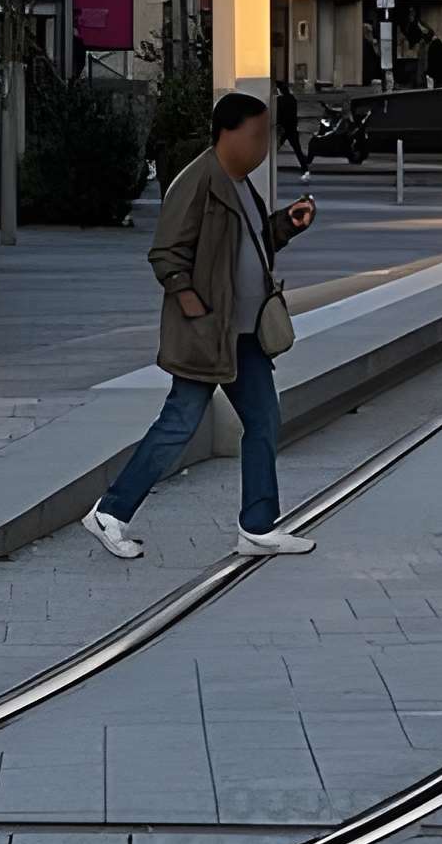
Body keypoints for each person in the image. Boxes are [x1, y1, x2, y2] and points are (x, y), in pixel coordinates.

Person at [85, 91, 319, 563]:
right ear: (227, 133)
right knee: (179, 423)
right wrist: (195, 308)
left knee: (263, 421)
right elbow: (167, 254)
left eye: (266, 136)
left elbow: (251, 244)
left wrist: (286, 226)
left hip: (245, 334)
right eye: (256, 135)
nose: (263, 145)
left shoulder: (240, 184)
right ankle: (110, 513)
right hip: (210, 334)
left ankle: (257, 526)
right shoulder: (197, 181)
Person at [274, 79, 309, 176]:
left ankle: (268, 165)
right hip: (292, 127)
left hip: (283, 127)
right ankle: (304, 167)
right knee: (297, 149)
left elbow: (278, 114)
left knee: (275, 147)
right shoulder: (292, 98)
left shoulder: (279, 100)